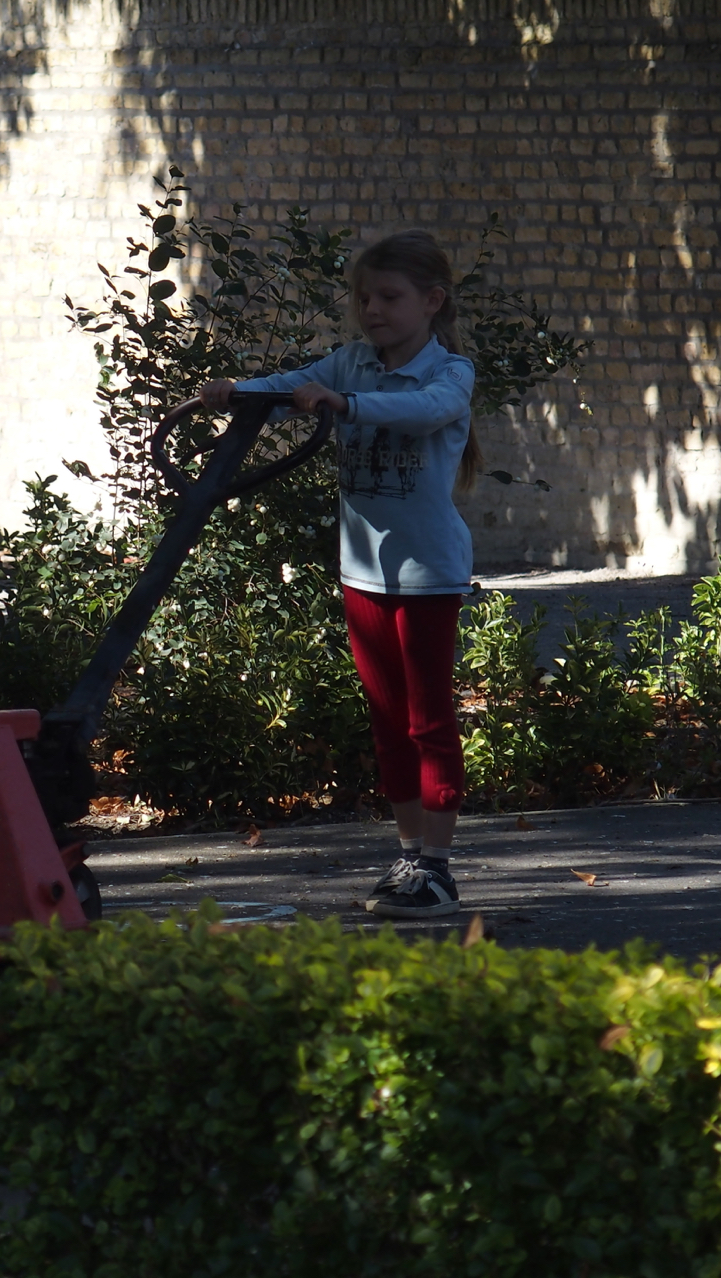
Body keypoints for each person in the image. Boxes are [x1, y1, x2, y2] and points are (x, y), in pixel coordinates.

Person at [200, 229, 479, 920]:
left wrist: (343, 404)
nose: (372, 310)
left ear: (431, 301)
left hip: (427, 575)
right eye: (363, 298)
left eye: (389, 297)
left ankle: (438, 868)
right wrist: (236, 391)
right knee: (388, 722)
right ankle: (408, 855)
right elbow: (288, 385)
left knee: (428, 720)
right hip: (364, 574)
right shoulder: (350, 362)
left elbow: (423, 412)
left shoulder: (450, 374)